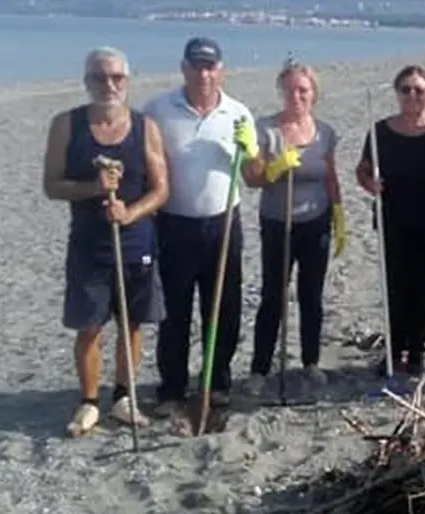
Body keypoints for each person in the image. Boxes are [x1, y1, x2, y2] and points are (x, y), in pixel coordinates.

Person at [41, 47, 169, 435]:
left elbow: (161, 189)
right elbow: (51, 185)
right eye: (100, 77)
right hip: (89, 244)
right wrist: (92, 188)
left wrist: (130, 213)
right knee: (89, 326)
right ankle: (90, 401)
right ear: (87, 82)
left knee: (131, 323)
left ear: (127, 81)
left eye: (116, 77)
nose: (109, 85)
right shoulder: (66, 125)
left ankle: (124, 397)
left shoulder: (145, 127)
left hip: (135, 242)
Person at [141, 37, 257, 415]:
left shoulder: (238, 113)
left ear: (221, 70)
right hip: (174, 224)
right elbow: (145, 167)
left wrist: (250, 150)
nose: (204, 74)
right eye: (197, 66)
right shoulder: (158, 110)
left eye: (210, 66)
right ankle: (172, 389)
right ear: (184, 68)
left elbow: (255, 176)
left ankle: (217, 382)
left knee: (223, 307)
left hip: (223, 223)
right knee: (174, 310)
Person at [242, 59, 346, 393]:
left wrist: (339, 215)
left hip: (316, 224)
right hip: (277, 224)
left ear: (313, 93)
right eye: (289, 90)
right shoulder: (265, 129)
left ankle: (310, 362)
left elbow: (330, 177)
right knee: (273, 295)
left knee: (311, 296)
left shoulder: (325, 133)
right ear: (281, 91)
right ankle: (260, 368)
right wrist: (273, 168)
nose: (296, 96)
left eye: (303, 90)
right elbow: (252, 178)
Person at [355, 65, 425, 377]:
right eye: (405, 89)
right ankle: (393, 349)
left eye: (418, 89)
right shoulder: (380, 132)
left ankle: (416, 351)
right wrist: (369, 184)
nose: (412, 95)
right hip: (393, 220)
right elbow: (362, 169)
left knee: (423, 288)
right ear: (397, 93)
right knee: (395, 287)